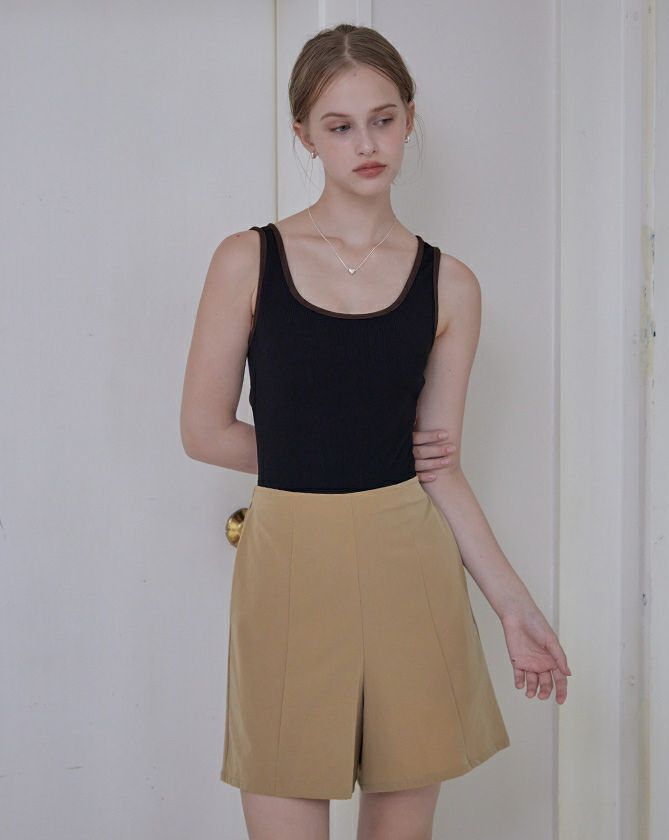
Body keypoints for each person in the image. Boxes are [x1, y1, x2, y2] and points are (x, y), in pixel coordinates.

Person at [180, 22, 571, 840]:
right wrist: (330, 450)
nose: (366, 144)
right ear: (304, 135)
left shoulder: (451, 284)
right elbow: (205, 431)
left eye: (383, 120)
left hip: (409, 563)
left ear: (409, 119)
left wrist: (515, 608)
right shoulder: (247, 260)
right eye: (340, 126)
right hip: (289, 564)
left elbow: (440, 464)